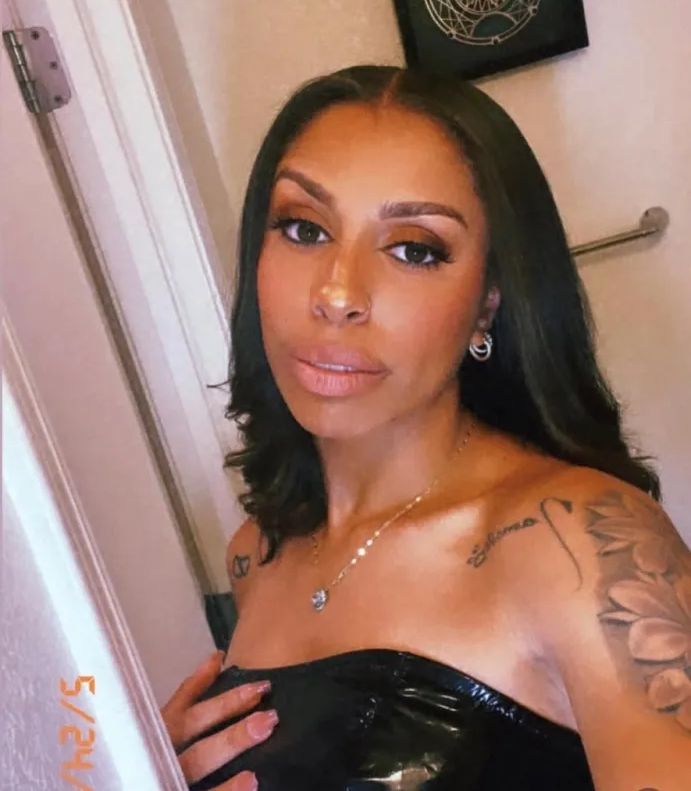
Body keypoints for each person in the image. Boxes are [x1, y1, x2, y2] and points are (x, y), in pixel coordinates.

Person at [162, 65, 691, 790]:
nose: (338, 294)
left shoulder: (581, 543)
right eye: (304, 229)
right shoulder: (257, 554)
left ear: (487, 304)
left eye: (414, 249)